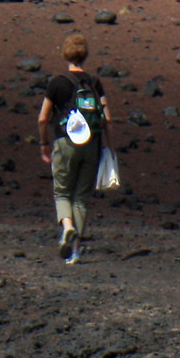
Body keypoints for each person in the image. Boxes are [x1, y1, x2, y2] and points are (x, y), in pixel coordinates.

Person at [35, 33, 109, 264]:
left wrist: (44, 144)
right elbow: (107, 118)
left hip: (65, 142)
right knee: (81, 197)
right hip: (92, 144)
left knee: (62, 192)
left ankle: (67, 228)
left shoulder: (57, 83)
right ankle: (75, 252)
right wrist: (109, 148)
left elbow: (42, 118)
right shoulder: (94, 83)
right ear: (85, 55)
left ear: (65, 54)